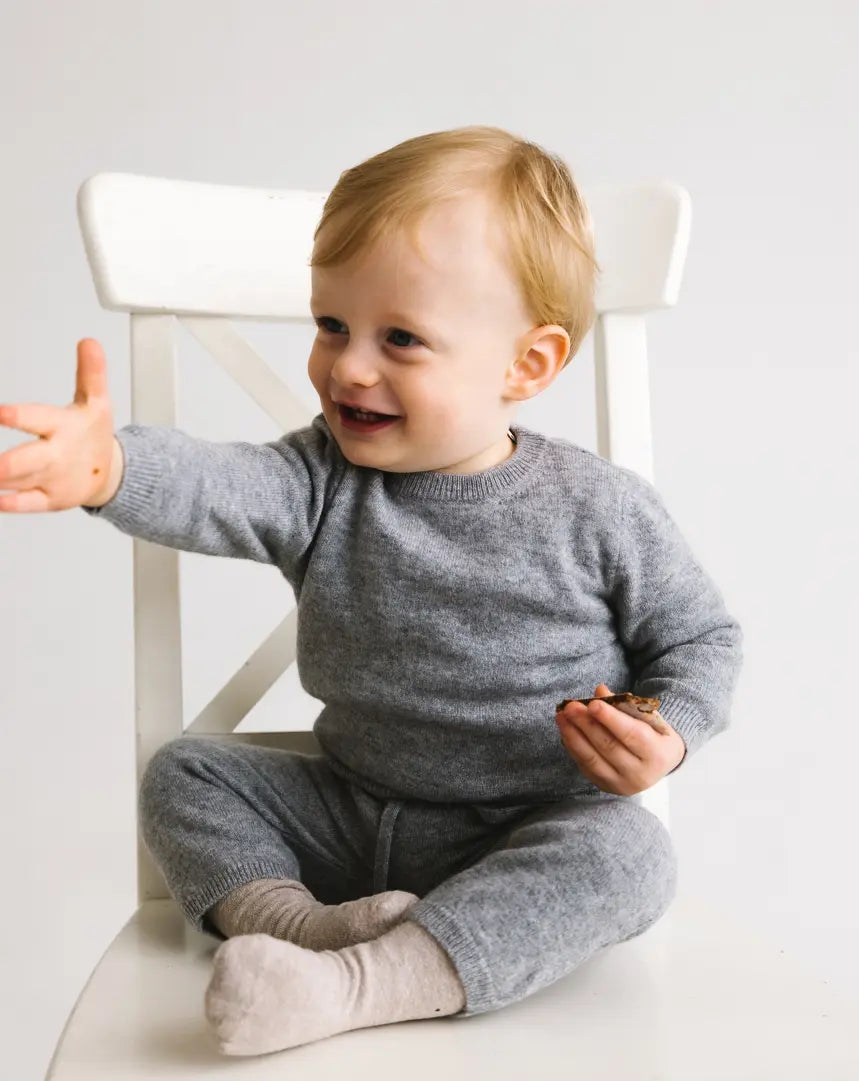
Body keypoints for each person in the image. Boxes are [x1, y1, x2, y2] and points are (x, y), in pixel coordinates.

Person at [0, 125, 743, 1057]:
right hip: (348, 819)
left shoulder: (596, 508)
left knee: (630, 857)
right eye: (330, 325)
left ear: (527, 365)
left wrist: (666, 731)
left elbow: (701, 639)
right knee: (187, 774)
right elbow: (216, 484)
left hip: (524, 826)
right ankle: (305, 931)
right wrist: (109, 467)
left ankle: (362, 985)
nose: (349, 367)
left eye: (401, 338)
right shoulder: (320, 479)